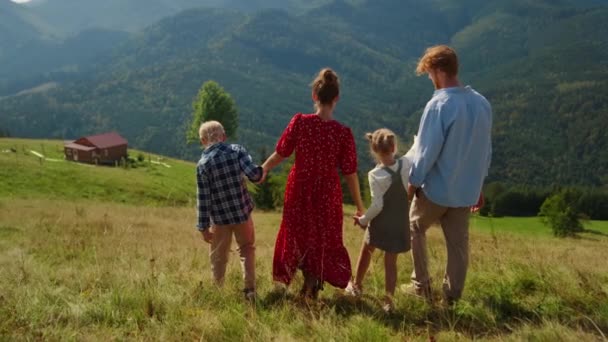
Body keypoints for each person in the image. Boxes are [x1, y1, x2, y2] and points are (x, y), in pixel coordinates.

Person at [262, 68, 365, 299]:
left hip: (299, 186)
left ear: (314, 96)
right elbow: (350, 173)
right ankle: (312, 281)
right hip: (328, 191)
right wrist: (359, 206)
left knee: (297, 232)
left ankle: (302, 281)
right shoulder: (342, 133)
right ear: (336, 98)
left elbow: (282, 152)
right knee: (324, 235)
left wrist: (265, 168)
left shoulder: (300, 122)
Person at [405, 45, 492, 305]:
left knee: (415, 227)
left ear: (439, 70)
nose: (430, 79)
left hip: (436, 190)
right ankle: (451, 297)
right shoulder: (482, 103)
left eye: (430, 73)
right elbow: (485, 151)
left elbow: (426, 151)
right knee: (458, 245)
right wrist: (478, 186)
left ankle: (420, 286)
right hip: (465, 192)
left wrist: (413, 182)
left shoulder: (439, 105)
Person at [195, 120, 263, 302]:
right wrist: (262, 171)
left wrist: (203, 227)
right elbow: (254, 175)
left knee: (218, 256)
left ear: (203, 141)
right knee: (246, 249)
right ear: (223, 137)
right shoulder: (236, 151)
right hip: (242, 214)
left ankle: (217, 292)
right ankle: (249, 290)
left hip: (219, 220)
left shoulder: (203, 164)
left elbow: (203, 199)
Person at [348, 128, 413, 313]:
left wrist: (362, 220)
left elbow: (377, 205)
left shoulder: (375, 175)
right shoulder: (405, 164)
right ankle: (389, 303)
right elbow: (412, 158)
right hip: (399, 223)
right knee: (390, 263)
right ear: (394, 147)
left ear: (374, 150)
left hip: (380, 224)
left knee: (366, 250)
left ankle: (357, 286)